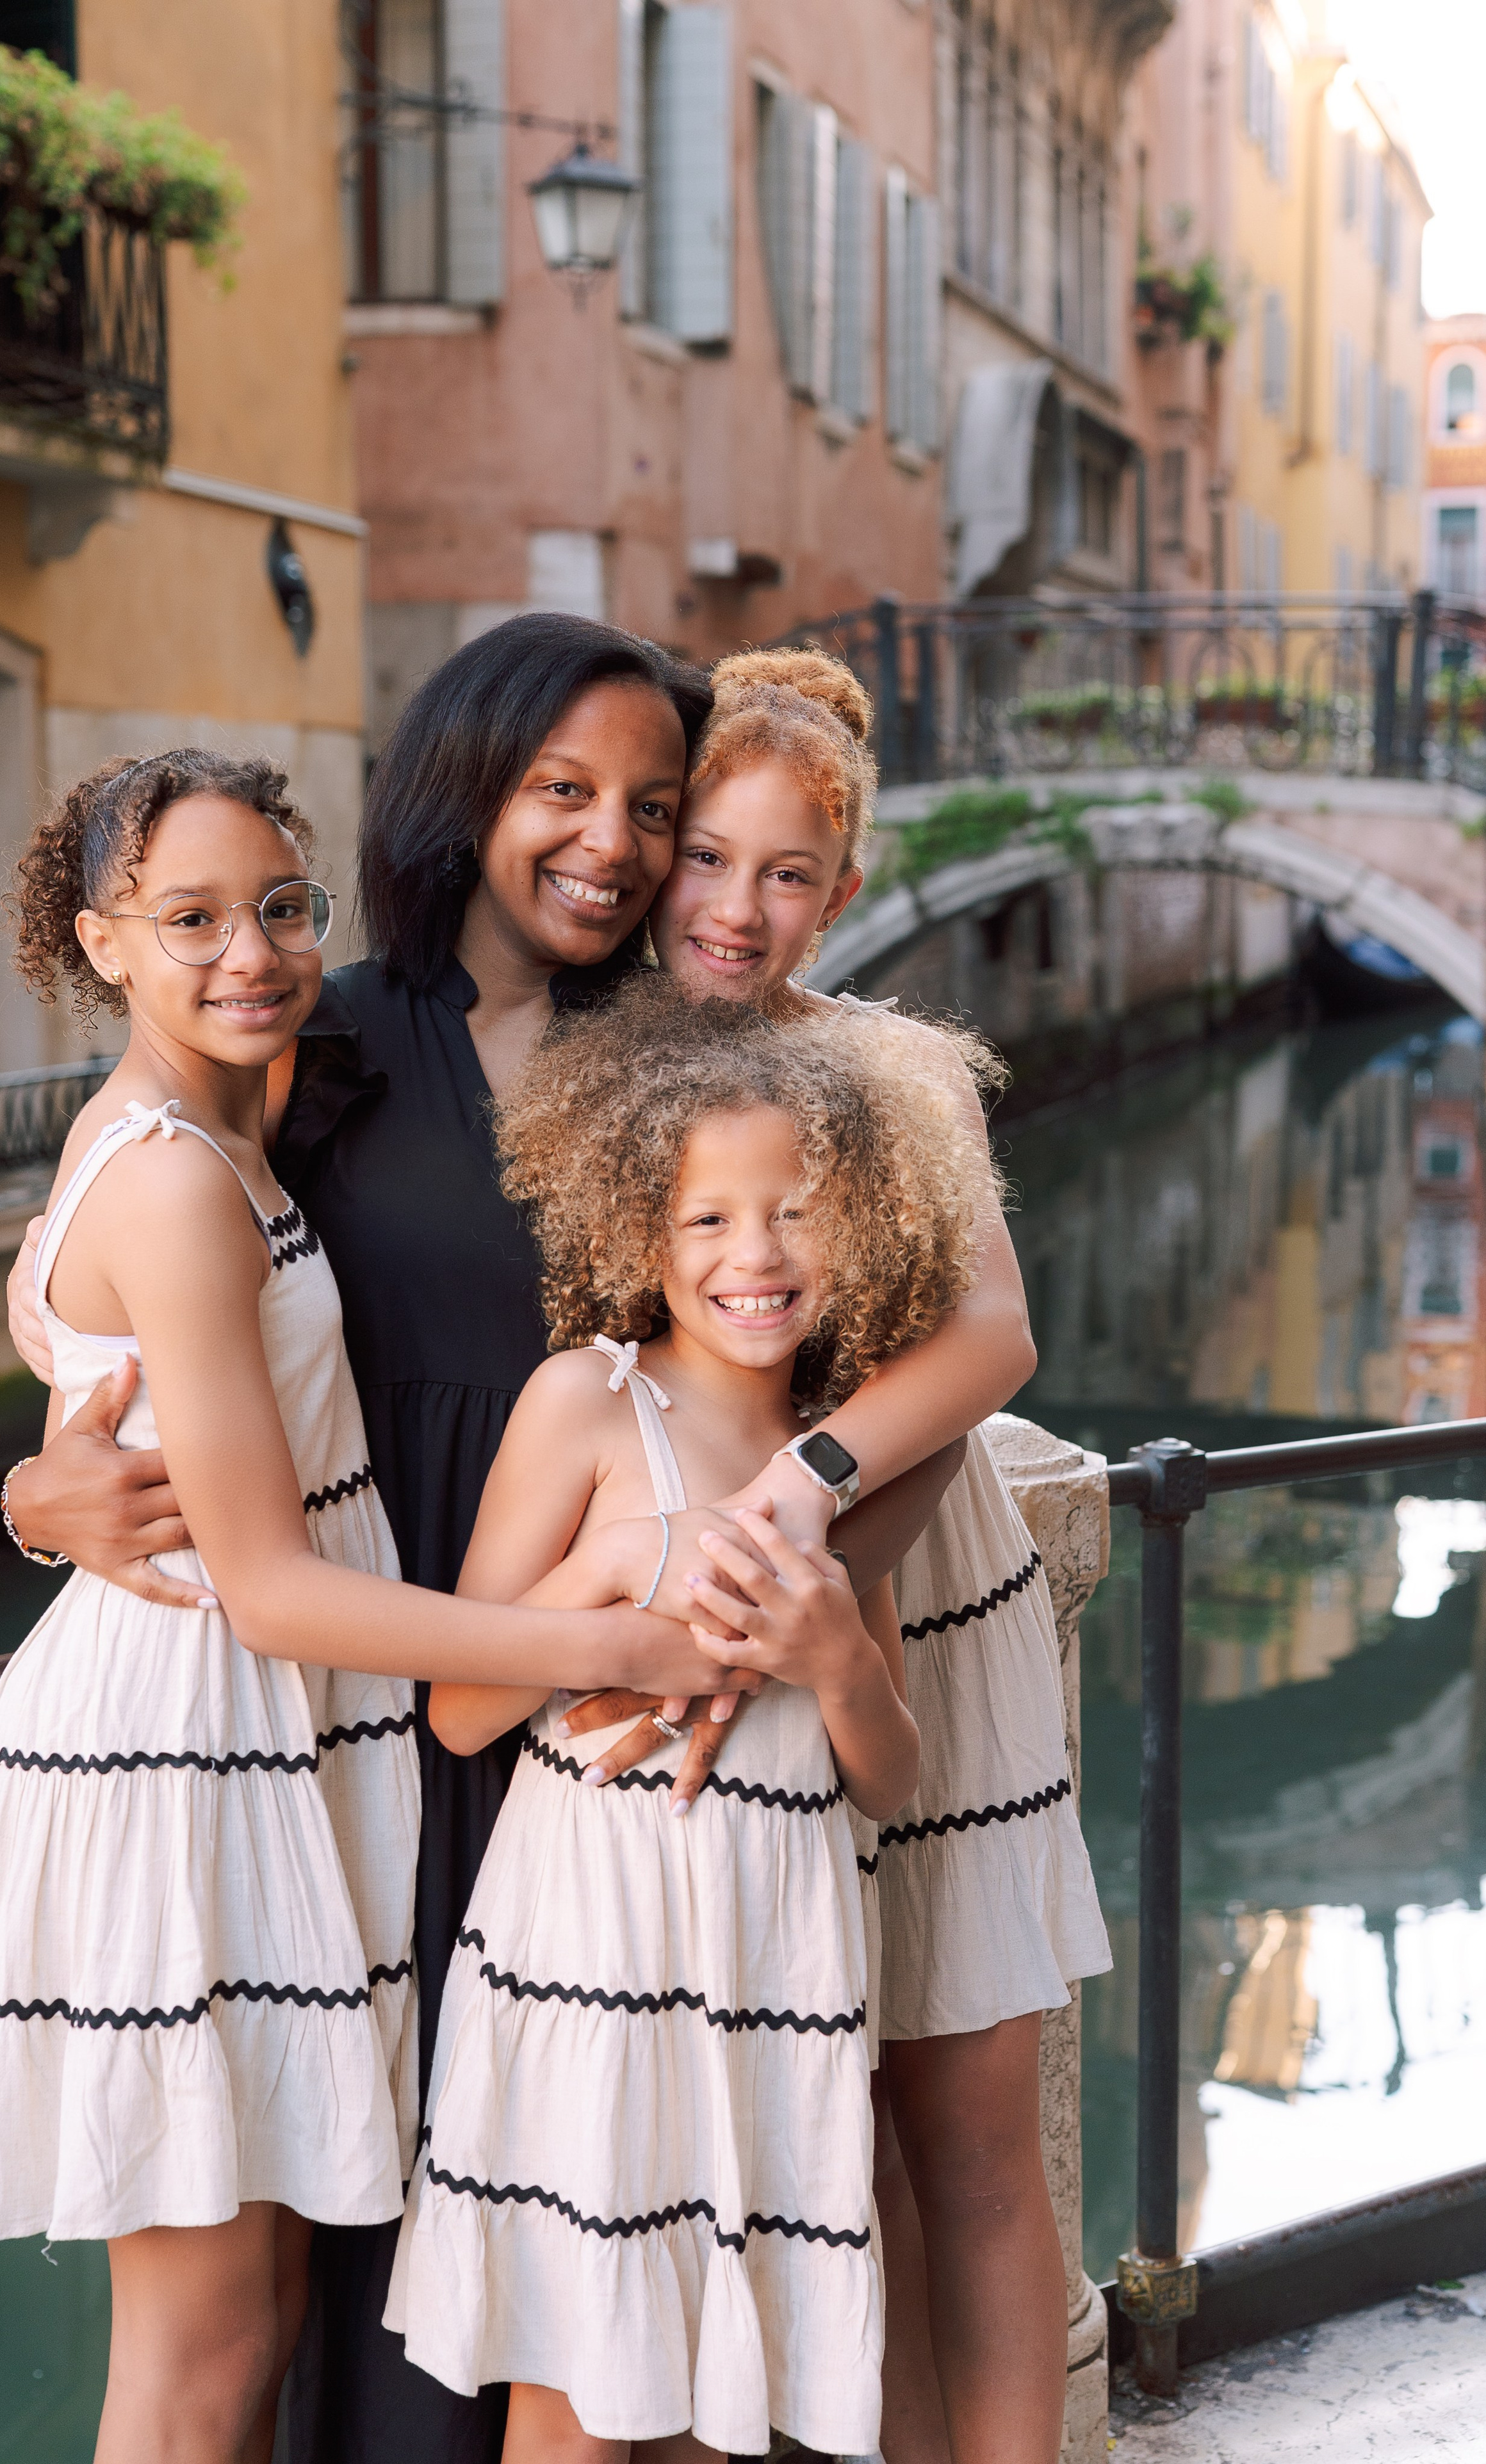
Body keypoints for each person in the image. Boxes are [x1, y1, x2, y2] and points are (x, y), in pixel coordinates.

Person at [0, 617, 1045, 2464]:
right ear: (468, 784)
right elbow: (128, 1239)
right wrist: (34, 1479)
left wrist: (797, 1600)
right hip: (389, 1692)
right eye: (565, 791)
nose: (617, 843)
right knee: (354, 2227)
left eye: (654, 805)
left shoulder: (701, 1054)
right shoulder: (308, 1037)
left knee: (625, 2256)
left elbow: (911, 1365)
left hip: (615, 1741)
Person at [0, 750, 742, 2464]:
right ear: (102, 943)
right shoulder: (166, 1173)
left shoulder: (238, 1114)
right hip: (181, 1747)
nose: (252, 952)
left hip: (250, 1743)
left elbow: (70, 1345)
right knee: (205, 2350)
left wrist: (32, 1478)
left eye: (283, 909)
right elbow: (278, 1591)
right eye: (193, 920)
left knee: (261, 2321)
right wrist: (601, 1644)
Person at [566, 649, 1111, 2464]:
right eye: (705, 857)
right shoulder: (599, 1061)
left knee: (965, 2143)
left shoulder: (890, 1067)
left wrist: (799, 1492)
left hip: (925, 1629)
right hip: (697, 1662)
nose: (737, 906)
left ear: (846, 887)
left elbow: (992, 1342)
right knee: (811, 2151)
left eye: (786, 873)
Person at [390, 975, 990, 2461]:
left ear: (860, 1223)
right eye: (706, 1219)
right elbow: (461, 1712)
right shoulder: (584, 1408)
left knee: (721, 2397)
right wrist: (606, 1583)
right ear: (636, 1235)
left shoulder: (830, 1460)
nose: (754, 1255)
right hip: (594, 1955)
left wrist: (830, 1645)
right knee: (582, 2392)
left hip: (771, 1956)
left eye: (795, 1211)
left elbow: (892, 1779)